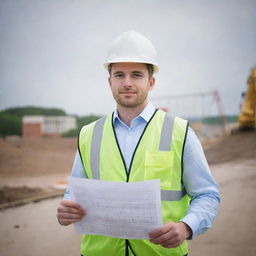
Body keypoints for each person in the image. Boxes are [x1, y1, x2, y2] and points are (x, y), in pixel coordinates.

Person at [57, 31, 220, 256]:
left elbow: (207, 194)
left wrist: (186, 227)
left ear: (151, 82)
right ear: (109, 81)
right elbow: (73, 192)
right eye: (119, 75)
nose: (127, 83)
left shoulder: (180, 133)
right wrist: (66, 209)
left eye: (136, 75)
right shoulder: (88, 134)